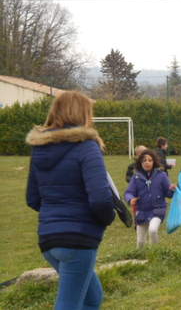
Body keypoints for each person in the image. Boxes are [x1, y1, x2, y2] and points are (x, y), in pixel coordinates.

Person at [25, 91, 115, 310]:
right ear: (83, 114)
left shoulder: (40, 149)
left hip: (49, 240)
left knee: (92, 298)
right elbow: (101, 199)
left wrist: (55, 215)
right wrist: (106, 218)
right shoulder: (87, 146)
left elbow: (32, 198)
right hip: (79, 239)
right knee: (68, 305)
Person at [125, 149, 176, 247]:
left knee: (152, 230)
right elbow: (129, 192)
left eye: (150, 160)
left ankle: (155, 252)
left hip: (158, 210)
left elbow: (169, 193)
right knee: (140, 242)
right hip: (141, 212)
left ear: (154, 162)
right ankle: (140, 258)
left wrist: (172, 189)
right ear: (140, 163)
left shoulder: (162, 175)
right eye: (144, 160)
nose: (147, 162)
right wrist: (130, 199)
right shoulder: (136, 178)